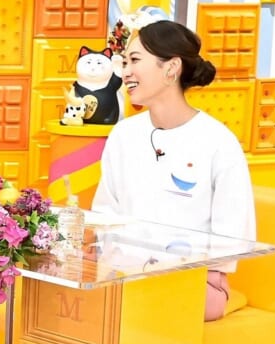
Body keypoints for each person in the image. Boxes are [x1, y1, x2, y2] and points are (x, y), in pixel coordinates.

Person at [92, 19, 256, 321]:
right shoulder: (123, 135)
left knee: (139, 308)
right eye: (125, 62)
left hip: (194, 281)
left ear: (171, 68)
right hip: (124, 275)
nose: (125, 72)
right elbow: (105, 214)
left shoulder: (218, 142)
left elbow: (232, 235)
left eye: (135, 60)